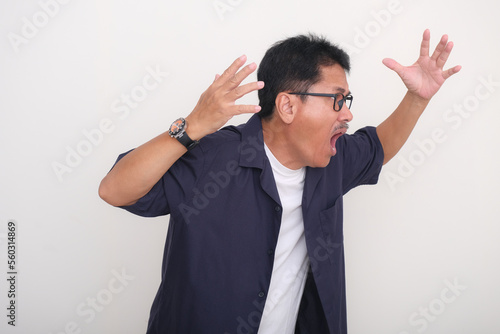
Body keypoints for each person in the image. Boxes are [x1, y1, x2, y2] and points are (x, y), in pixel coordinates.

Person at [99, 30, 461, 334]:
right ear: (287, 106)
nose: (348, 114)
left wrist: (417, 98)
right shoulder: (213, 157)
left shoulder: (330, 161)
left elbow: (379, 146)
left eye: (347, 100)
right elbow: (114, 190)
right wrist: (192, 126)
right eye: (336, 100)